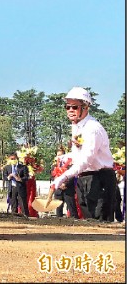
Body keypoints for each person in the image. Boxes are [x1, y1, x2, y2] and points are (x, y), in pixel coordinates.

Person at [50, 87, 117, 222]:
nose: (70, 110)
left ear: (86, 107)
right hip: (84, 178)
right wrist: (64, 159)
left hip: (100, 179)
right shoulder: (77, 126)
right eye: (67, 107)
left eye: (74, 107)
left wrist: (64, 176)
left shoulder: (92, 128)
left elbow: (86, 159)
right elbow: (77, 155)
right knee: (88, 222)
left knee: (99, 222)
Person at [50, 145, 78, 218]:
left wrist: (65, 184)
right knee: (58, 209)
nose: (59, 157)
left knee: (71, 208)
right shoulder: (54, 166)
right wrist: (59, 184)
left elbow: (72, 176)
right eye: (58, 155)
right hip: (58, 190)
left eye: (61, 155)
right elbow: (52, 177)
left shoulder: (70, 165)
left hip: (68, 189)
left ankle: (75, 222)